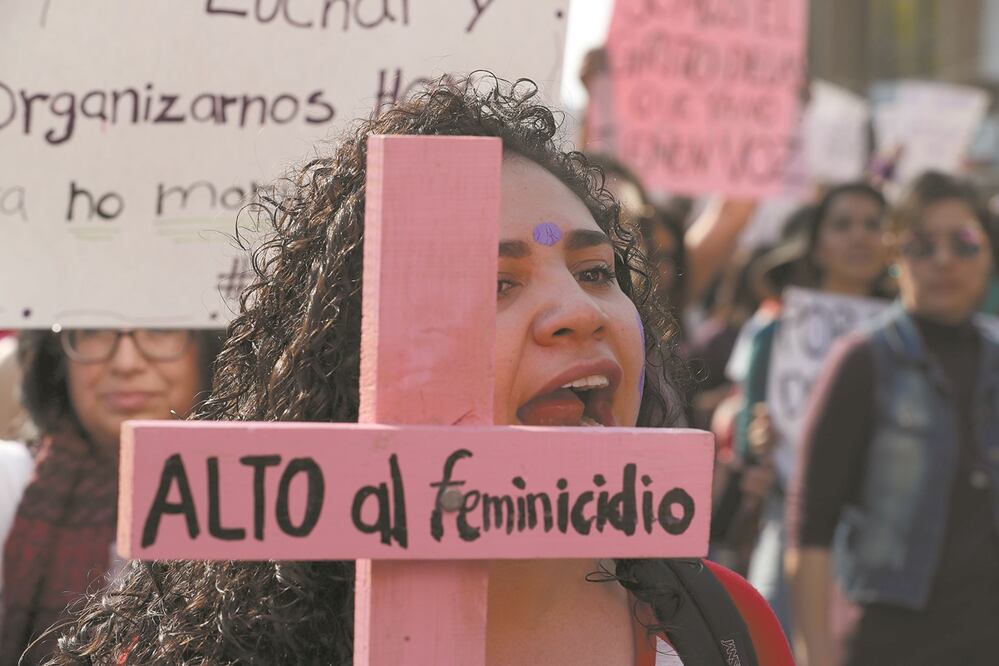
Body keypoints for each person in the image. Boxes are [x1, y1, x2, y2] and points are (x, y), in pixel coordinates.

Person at [44, 78, 792, 666]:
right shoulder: (203, 650)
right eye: (497, 283)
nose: (578, 312)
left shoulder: (726, 630)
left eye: (596, 271)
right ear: (355, 353)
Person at [789, 171, 999, 666]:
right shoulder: (862, 360)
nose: (944, 260)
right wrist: (817, 656)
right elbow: (810, 529)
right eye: (922, 245)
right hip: (890, 645)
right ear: (894, 256)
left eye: (965, 242)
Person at [0, 328, 222, 664]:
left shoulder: (263, 490)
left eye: (160, 330)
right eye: (94, 332)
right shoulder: (11, 480)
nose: (126, 362)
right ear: (57, 357)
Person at [731, 183, 892, 630]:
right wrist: (757, 441)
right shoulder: (773, 335)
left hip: (886, 537)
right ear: (817, 246)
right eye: (842, 225)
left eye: (873, 224)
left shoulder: (912, 343)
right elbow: (748, 438)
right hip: (791, 527)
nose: (859, 236)